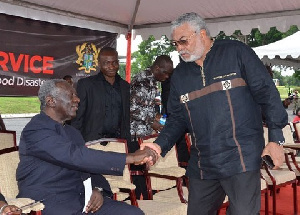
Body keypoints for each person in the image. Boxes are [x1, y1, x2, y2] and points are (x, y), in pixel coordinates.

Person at [141, 12, 287, 215]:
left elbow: (267, 94)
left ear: (202, 34)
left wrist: (276, 139)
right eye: (175, 44)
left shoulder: (236, 52)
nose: (179, 48)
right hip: (203, 164)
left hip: (241, 158)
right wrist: (158, 145)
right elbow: (177, 119)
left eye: (183, 41)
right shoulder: (180, 76)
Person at [16, 79, 155, 215]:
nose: (77, 99)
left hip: (81, 200)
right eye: (71, 95)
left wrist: (98, 189)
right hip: (48, 202)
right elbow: (75, 156)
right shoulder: (36, 129)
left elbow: (87, 166)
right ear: (50, 101)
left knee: (133, 212)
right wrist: (130, 157)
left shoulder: (72, 132)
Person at [71, 47, 131, 147]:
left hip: (119, 143)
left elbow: (126, 118)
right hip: (92, 143)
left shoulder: (125, 86)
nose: (111, 67)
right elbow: (77, 118)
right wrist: (78, 144)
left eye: (114, 62)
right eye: (106, 63)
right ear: (99, 63)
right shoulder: (86, 85)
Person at [130, 55, 173, 138]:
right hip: (135, 134)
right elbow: (132, 108)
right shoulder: (143, 81)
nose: (167, 76)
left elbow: (142, 105)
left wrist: (156, 115)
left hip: (144, 133)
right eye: (165, 72)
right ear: (157, 68)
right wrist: (151, 122)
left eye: (169, 74)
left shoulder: (151, 80)